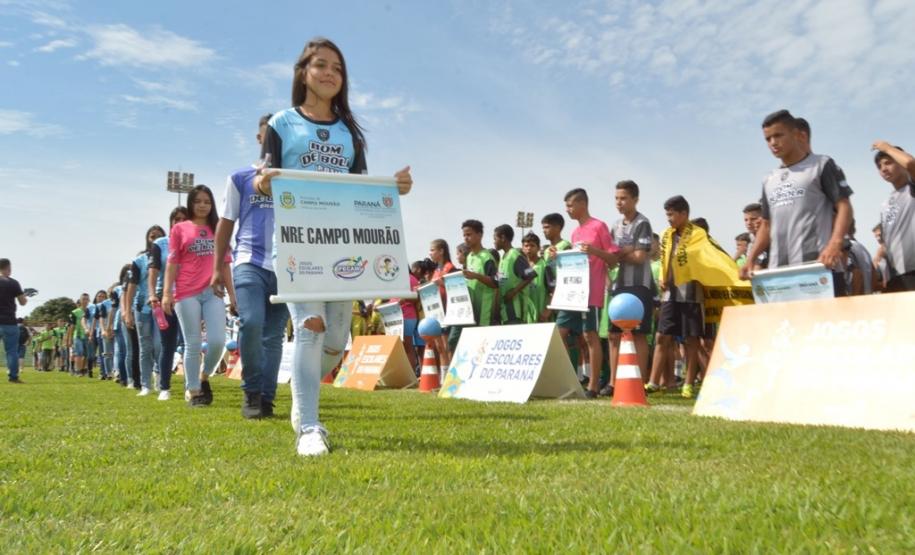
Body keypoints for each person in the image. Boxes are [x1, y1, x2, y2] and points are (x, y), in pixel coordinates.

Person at [254, 38, 413, 456]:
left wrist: (394, 189)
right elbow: (262, 176)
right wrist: (262, 180)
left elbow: (358, 189)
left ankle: (301, 393)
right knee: (310, 326)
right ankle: (309, 424)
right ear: (303, 71)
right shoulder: (283, 123)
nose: (329, 74)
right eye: (321, 65)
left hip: (342, 247)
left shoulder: (349, 132)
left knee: (336, 340)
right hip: (296, 244)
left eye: (337, 69)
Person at [213, 114, 289, 418]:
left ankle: (266, 398)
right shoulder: (240, 178)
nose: (272, 140)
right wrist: (218, 266)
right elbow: (226, 223)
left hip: (288, 267)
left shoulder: (296, 178)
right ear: (259, 139)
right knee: (252, 322)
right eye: (268, 135)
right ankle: (251, 392)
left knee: (274, 335)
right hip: (249, 261)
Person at [742, 110, 853, 297]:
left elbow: (844, 206)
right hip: (781, 274)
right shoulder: (769, 179)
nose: (773, 143)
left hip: (818, 268)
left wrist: (835, 244)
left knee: (824, 326)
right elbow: (766, 225)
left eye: (778, 135)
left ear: (796, 134)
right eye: (768, 139)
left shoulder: (821, 165)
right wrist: (750, 259)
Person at [163, 185, 236, 407]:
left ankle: (204, 377)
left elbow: (225, 265)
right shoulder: (180, 229)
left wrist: (233, 296)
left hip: (213, 292)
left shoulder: (219, 228)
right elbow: (172, 263)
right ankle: (192, 389)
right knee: (193, 344)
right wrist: (167, 293)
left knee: (217, 341)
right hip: (186, 293)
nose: (203, 205)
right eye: (198, 201)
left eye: (207, 201)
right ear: (191, 204)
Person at [558, 188, 619, 398]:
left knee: (589, 336)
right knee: (560, 333)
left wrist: (594, 251)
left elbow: (613, 260)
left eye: (570, 205)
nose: (567, 210)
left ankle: (593, 386)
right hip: (572, 293)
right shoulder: (574, 233)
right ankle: (570, 379)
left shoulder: (598, 226)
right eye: (566, 206)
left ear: (583, 204)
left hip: (591, 292)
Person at [647, 196, 705, 398]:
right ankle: (653, 381)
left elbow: (704, 260)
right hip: (669, 293)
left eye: (671, 214)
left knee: (691, 339)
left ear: (684, 214)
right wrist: (663, 277)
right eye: (667, 215)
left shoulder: (698, 234)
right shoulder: (666, 235)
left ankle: (688, 383)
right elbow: (664, 259)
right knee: (662, 335)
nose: (669, 219)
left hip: (691, 293)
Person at [607, 180, 654, 388]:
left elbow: (640, 257)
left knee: (639, 334)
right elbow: (610, 257)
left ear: (635, 199)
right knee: (614, 334)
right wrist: (625, 252)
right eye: (617, 198)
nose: (619, 202)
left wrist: (621, 253)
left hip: (639, 286)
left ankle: (639, 382)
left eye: (624, 198)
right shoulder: (615, 226)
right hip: (619, 286)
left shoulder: (643, 223)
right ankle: (613, 382)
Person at [148, 206, 189, 399]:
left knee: (190, 343)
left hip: (188, 297)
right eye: (176, 219)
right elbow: (154, 271)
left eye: (183, 219)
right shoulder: (160, 244)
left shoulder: (194, 241)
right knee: (168, 345)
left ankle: (192, 386)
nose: (179, 222)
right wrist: (152, 295)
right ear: (171, 222)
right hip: (164, 299)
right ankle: (164, 387)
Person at [123, 225, 166, 396]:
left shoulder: (168, 256)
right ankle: (145, 384)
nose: (155, 239)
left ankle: (161, 379)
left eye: (159, 236)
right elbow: (131, 287)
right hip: (142, 308)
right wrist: (127, 311)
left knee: (159, 345)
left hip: (162, 307)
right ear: (147, 239)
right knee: (145, 347)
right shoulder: (139, 261)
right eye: (152, 236)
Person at [448, 220, 498, 354]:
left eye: (469, 234)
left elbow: (495, 283)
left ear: (480, 235)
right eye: (464, 235)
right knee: (461, 343)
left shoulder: (487, 257)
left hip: (484, 309)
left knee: (482, 345)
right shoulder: (469, 256)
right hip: (469, 309)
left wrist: (477, 276)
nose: (466, 238)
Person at [872, 141, 915, 292]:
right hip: (895, 276)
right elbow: (886, 241)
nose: (883, 169)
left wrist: (888, 148)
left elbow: (910, 163)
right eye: (879, 166)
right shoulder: (885, 204)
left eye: (888, 163)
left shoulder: (911, 189)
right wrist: (878, 258)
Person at [493, 224, 535, 325]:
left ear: (503, 238)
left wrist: (514, 292)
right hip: (505, 309)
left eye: (495, 238)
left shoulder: (514, 255)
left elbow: (531, 275)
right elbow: (498, 280)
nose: (494, 242)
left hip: (515, 309)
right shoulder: (503, 257)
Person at [521, 233, 550, 322]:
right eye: (526, 246)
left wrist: (547, 311)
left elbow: (553, 291)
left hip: (541, 315)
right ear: (522, 248)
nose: (529, 248)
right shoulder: (521, 267)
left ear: (538, 248)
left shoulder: (545, 266)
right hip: (525, 315)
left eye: (532, 245)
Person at [845, 220, 875, 296]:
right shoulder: (863, 248)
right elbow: (874, 277)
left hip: (854, 303)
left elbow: (857, 274)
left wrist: (853, 301)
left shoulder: (846, 248)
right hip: (866, 300)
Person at [68, 293, 91, 377]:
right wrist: (70, 339)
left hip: (88, 335)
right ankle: (78, 370)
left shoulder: (91, 310)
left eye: (87, 299)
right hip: (77, 335)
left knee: (87, 353)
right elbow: (71, 326)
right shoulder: (75, 312)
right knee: (79, 352)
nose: (85, 301)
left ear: (89, 300)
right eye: (83, 299)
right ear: (80, 300)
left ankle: (84, 369)